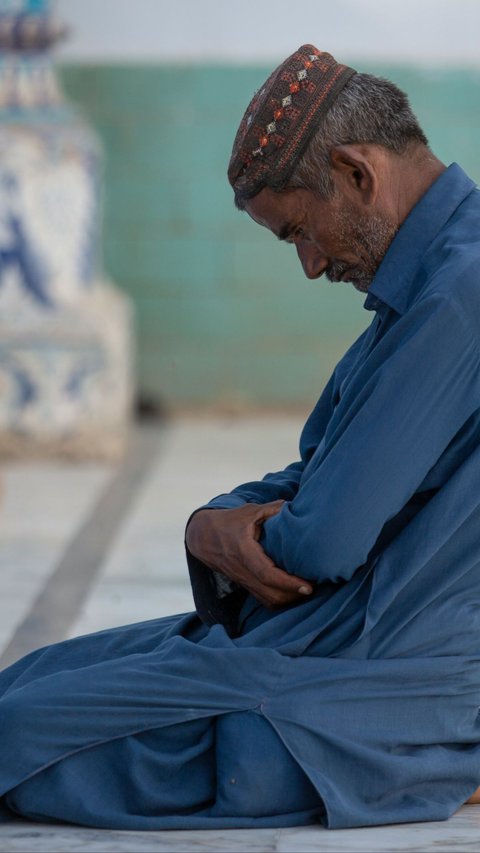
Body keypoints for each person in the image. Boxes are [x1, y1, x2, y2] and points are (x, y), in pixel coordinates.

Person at [1, 43, 480, 831]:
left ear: (358, 173)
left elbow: (322, 542)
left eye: (299, 230)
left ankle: (436, 758)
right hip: (315, 638)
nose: (309, 262)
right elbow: (320, 473)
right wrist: (213, 526)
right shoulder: (435, 282)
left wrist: (229, 531)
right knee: (24, 683)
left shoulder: (455, 299)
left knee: (19, 729)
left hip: (364, 677)